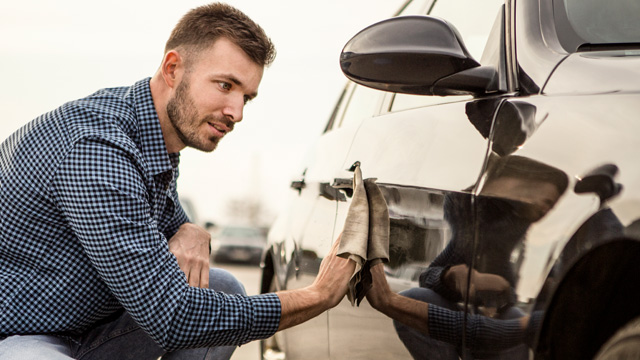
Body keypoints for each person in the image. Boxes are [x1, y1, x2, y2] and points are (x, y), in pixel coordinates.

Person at [0, 3, 355, 360]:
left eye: (245, 96)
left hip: (92, 328)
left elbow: (162, 225)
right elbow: (173, 317)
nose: (237, 112)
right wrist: (317, 295)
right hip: (22, 335)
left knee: (225, 288)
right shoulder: (97, 150)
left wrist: (190, 229)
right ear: (173, 69)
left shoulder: (156, 140)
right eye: (225, 85)